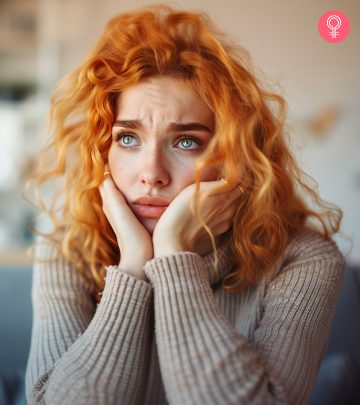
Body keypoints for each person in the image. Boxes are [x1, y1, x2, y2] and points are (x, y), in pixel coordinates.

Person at [24, 4, 346, 405]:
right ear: (101, 150)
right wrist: (133, 267)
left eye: (186, 141)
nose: (151, 173)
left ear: (235, 158)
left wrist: (174, 255)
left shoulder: (303, 259)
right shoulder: (67, 246)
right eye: (127, 138)